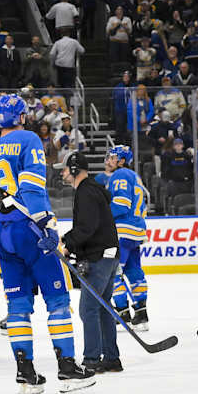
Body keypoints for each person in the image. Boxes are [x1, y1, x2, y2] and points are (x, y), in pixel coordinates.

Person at [0, 93, 93, 394]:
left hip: (0, 234)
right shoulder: (28, 139)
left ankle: (25, 374)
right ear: (21, 116)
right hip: (28, 228)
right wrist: (44, 222)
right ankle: (67, 369)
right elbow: (31, 185)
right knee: (57, 299)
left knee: (17, 306)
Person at [60, 150, 121, 375]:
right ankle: (111, 359)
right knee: (103, 308)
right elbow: (88, 227)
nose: (63, 173)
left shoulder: (85, 192)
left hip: (99, 258)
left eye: (65, 169)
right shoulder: (91, 190)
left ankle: (92, 359)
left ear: (75, 169)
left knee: (88, 309)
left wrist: (68, 243)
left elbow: (87, 228)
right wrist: (69, 242)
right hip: (108, 256)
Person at [104, 144, 150, 329]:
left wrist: (101, 215)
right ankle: (141, 313)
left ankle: (122, 312)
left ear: (122, 161)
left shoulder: (119, 175)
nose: (108, 161)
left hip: (121, 231)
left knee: (113, 273)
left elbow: (121, 204)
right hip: (136, 231)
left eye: (112, 158)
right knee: (134, 271)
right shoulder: (135, 176)